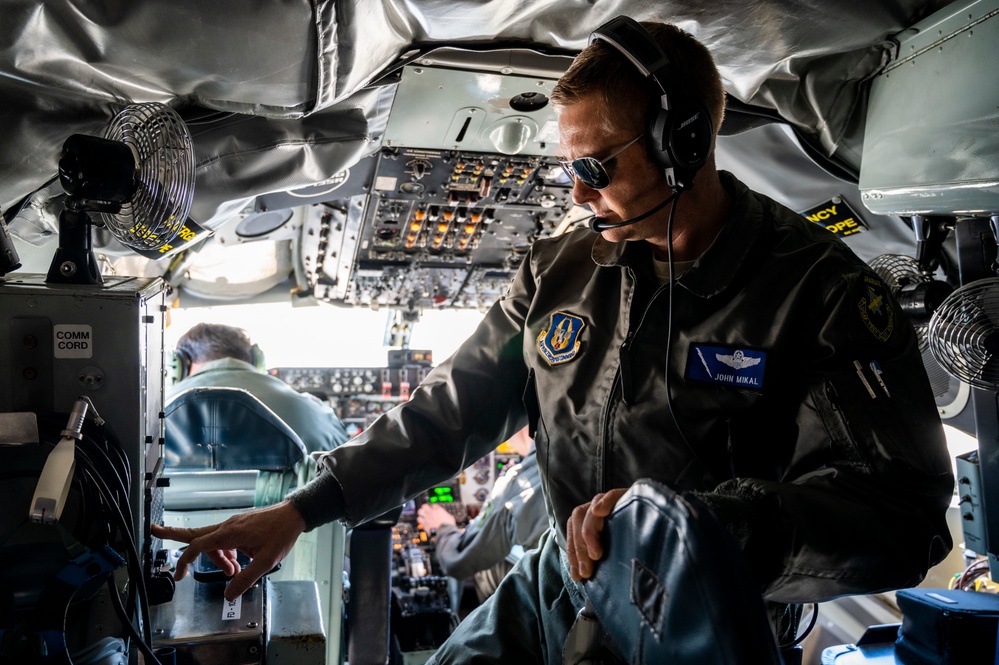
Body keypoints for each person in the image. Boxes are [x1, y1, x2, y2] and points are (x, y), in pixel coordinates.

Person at [152, 17, 955, 664]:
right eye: (568, 165)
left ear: (684, 146)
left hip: (693, 612)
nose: (575, 191)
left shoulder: (819, 290)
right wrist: (301, 508)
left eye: (596, 167)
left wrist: (693, 526)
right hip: (554, 577)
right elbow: (446, 411)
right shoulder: (561, 269)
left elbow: (898, 518)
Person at [168, 322, 348, 453]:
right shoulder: (317, 413)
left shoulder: (156, 411)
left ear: (180, 363)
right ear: (256, 360)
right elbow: (342, 462)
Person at [417, 426, 548, 604]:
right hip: (580, 585)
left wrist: (443, 528)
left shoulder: (518, 483)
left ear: (518, 424)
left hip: (554, 592)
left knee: (486, 563)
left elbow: (459, 562)